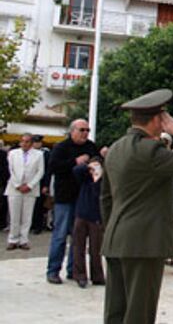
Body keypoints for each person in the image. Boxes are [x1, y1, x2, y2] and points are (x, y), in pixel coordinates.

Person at [101, 89, 173, 324]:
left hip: (116, 239)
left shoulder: (115, 148)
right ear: (158, 119)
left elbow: (106, 198)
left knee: (115, 311)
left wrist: (113, 230)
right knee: (140, 312)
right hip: (143, 242)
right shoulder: (149, 150)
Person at [46, 119, 98, 284]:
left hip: (83, 198)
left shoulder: (90, 146)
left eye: (87, 130)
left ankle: (74, 270)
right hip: (65, 197)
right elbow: (53, 166)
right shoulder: (61, 147)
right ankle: (53, 270)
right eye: (82, 130)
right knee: (60, 235)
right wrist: (74, 162)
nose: (85, 133)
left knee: (79, 237)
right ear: (72, 131)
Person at [5, 134, 45, 250]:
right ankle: (13, 239)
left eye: (27, 141)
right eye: (22, 141)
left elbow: (40, 171)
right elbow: (10, 170)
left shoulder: (39, 154)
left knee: (27, 216)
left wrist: (30, 185)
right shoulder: (13, 153)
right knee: (14, 215)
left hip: (30, 189)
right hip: (14, 188)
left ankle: (24, 240)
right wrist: (17, 185)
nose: (25, 144)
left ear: (32, 143)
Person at [72, 156, 106, 288]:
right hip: (82, 213)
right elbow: (76, 171)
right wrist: (87, 167)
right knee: (78, 246)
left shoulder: (102, 179)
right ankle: (79, 275)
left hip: (96, 216)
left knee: (96, 248)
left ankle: (97, 275)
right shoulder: (85, 176)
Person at [30, 134, 51, 234]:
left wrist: (46, 185)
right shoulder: (29, 153)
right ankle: (31, 224)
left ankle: (38, 226)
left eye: (38, 142)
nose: (36, 144)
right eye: (35, 142)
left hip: (41, 182)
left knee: (39, 206)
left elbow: (48, 170)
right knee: (30, 205)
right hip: (30, 182)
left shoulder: (45, 153)